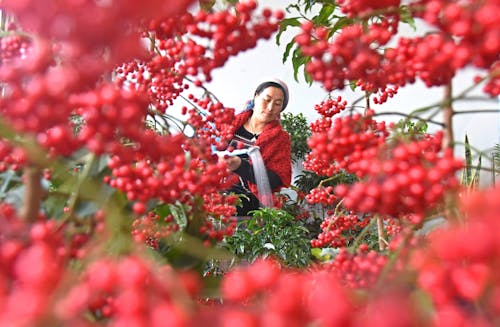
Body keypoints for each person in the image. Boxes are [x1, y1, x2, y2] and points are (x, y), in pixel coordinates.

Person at [219, 78, 292, 217]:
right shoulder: (229, 124)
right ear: (256, 96)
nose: (270, 108)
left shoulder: (280, 139)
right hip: (216, 200)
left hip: (251, 210)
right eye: (267, 99)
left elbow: (275, 180)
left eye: (277, 104)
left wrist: (241, 166)